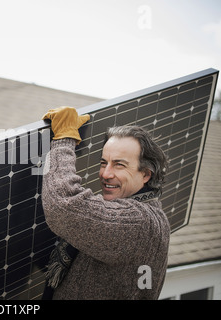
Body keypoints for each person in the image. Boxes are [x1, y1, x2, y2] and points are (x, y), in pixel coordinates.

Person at [41, 106, 170, 300]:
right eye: (103, 163)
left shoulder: (138, 223)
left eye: (119, 164)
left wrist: (64, 140)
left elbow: (63, 205)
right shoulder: (148, 213)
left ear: (145, 174)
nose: (105, 174)